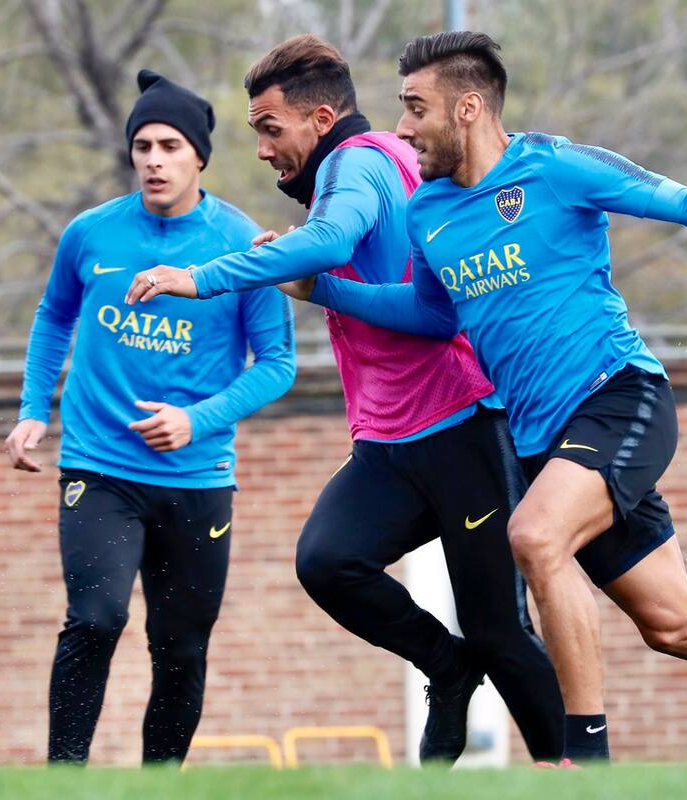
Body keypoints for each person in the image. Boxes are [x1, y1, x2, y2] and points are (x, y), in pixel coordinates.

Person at [279, 31, 687, 768]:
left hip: (621, 398)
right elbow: (435, 317)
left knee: (535, 537)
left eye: (415, 108)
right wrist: (326, 290)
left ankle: (584, 761)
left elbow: (686, 201)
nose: (402, 129)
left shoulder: (555, 167)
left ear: (468, 107)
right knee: (675, 624)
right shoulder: (430, 212)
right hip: (544, 444)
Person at [125, 35, 563, 762]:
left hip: (463, 427)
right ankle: (446, 668)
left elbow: (330, 243)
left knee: (500, 628)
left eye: (270, 129)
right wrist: (293, 254)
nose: (263, 150)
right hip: (393, 443)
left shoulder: (358, 161)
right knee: (329, 559)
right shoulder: (369, 164)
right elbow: (336, 244)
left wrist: (201, 276)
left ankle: (574, 771)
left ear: (320, 118)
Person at [6, 69, 295, 765]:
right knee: (96, 618)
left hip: (197, 477)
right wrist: (32, 411)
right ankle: (62, 778)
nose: (155, 160)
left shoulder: (242, 242)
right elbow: (54, 318)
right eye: (143, 146)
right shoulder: (90, 235)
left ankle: (159, 783)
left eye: (170, 145)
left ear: (200, 156)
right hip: (99, 466)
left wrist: (198, 419)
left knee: (181, 647)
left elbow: (278, 362)